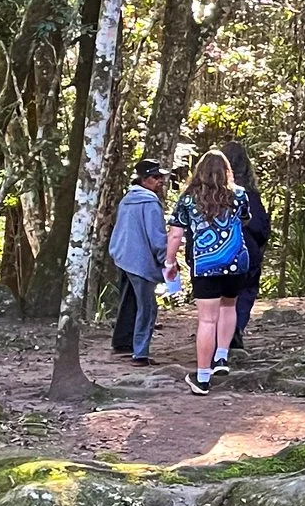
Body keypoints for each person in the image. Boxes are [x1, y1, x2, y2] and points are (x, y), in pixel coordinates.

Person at [166, 149, 252, 395]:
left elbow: (175, 234)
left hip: (205, 264)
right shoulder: (239, 195)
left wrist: (170, 262)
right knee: (229, 307)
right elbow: (245, 218)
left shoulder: (189, 198)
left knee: (206, 319)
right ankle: (222, 358)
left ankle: (202, 377)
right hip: (236, 260)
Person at [106, 157, 170, 364]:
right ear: (144, 179)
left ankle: (123, 343)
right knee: (148, 307)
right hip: (140, 261)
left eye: (161, 176)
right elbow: (157, 237)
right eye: (155, 177)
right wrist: (166, 261)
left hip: (124, 257)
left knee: (131, 302)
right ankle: (140, 354)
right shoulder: (150, 203)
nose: (160, 180)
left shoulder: (127, 199)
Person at [221, 138, 273, 355]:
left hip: (215, 253)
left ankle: (220, 337)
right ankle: (235, 330)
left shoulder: (207, 195)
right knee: (245, 292)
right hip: (246, 252)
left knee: (218, 296)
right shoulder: (249, 195)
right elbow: (261, 227)